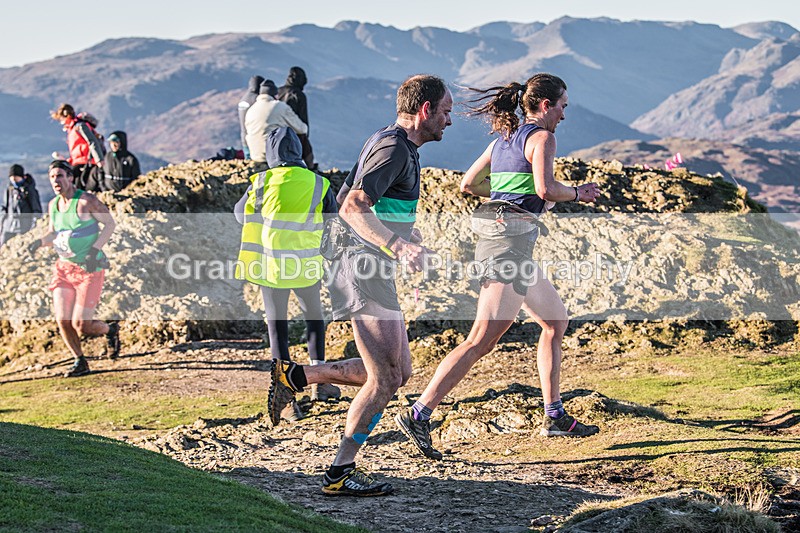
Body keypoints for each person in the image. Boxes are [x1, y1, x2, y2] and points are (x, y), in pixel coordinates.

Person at [394, 73, 602, 462]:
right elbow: (546, 190)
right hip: (507, 249)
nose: (563, 114)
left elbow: (469, 184)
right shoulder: (542, 138)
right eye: (562, 106)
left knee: (555, 322)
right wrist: (579, 193)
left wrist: (508, 194)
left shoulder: (503, 140)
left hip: (512, 247)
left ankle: (554, 415)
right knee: (481, 340)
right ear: (545, 105)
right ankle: (419, 413)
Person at [268, 74, 453, 496]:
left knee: (399, 372)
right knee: (386, 377)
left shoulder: (395, 144)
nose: (449, 121)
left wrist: (402, 236)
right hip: (362, 267)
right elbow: (352, 207)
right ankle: (339, 473)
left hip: (368, 263)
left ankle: (297, 375)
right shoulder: (392, 148)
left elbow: (347, 197)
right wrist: (395, 245)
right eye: (445, 111)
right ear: (424, 110)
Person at [234, 127, 341, 420]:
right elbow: (332, 222)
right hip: (306, 265)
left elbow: (240, 215)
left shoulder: (261, 182)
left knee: (277, 327)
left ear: (271, 154)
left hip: (270, 268)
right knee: (314, 319)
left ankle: (286, 398)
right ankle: (321, 382)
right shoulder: (319, 183)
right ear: (298, 151)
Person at [27, 160, 120, 377]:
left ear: (70, 178)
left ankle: (111, 330)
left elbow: (110, 224)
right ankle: (80, 361)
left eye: (60, 176)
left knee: (82, 325)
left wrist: (93, 250)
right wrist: (39, 242)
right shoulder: (53, 205)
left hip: (89, 269)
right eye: (52, 177)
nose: (56, 181)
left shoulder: (86, 201)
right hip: (63, 269)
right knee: (63, 320)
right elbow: (54, 233)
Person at [245, 80, 308, 165]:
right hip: (274, 156)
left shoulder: (251, 110)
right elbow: (302, 129)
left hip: (255, 155)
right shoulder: (279, 106)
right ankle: (311, 168)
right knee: (297, 136)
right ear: (275, 95)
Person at [50, 104, 106, 192]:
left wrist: (99, 160)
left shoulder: (80, 126)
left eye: (62, 119)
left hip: (87, 162)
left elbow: (92, 141)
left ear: (67, 116)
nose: (62, 122)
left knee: (83, 187)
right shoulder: (72, 129)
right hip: (78, 162)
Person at [277, 66, 315, 169]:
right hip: (295, 131)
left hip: (277, 131)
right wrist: (306, 135)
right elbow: (303, 118)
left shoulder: (278, 91)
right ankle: (311, 170)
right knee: (306, 153)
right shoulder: (298, 95)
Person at [1, 164, 42, 246]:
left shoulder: (30, 191)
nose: (14, 182)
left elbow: (36, 209)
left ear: (22, 177)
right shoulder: (9, 190)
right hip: (9, 225)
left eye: (16, 179)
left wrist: (34, 225)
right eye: (12, 180)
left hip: (24, 226)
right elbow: (5, 206)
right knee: (3, 246)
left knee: (22, 247)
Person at [238, 75, 265, 159]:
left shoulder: (243, 99)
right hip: (255, 140)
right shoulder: (256, 100)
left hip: (244, 138)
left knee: (249, 165)